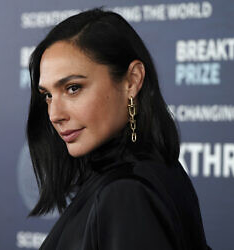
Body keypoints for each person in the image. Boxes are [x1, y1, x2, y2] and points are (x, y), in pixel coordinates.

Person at [26, 8, 212, 250]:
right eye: (48, 95)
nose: (54, 115)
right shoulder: (152, 169)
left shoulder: (126, 192)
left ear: (132, 80)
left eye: (73, 88)